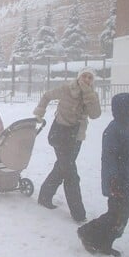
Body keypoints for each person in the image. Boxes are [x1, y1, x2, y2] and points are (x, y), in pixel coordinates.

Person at [77, 93, 129, 257]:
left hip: (124, 179)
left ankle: (105, 243)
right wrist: (114, 180)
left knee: (121, 214)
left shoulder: (126, 128)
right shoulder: (114, 130)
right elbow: (110, 158)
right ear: (123, 111)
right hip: (117, 181)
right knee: (117, 214)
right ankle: (88, 232)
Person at [34, 67, 101, 222]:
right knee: (70, 173)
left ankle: (45, 196)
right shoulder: (66, 89)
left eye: (90, 78)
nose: (86, 80)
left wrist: (89, 95)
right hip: (60, 135)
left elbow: (95, 114)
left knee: (62, 168)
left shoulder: (92, 95)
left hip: (76, 137)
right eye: (84, 76)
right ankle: (78, 214)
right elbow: (46, 96)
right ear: (79, 77)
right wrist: (39, 112)